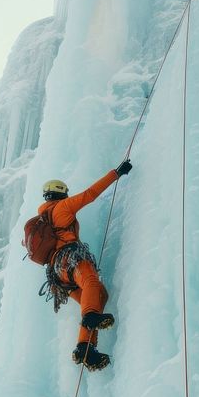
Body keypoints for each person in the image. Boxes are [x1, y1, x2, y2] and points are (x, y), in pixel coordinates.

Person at [39, 158, 134, 370]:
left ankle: (85, 348)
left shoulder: (42, 218)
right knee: (91, 282)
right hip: (69, 260)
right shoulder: (62, 207)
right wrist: (116, 174)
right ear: (61, 193)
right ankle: (90, 317)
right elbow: (89, 195)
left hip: (57, 276)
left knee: (98, 296)